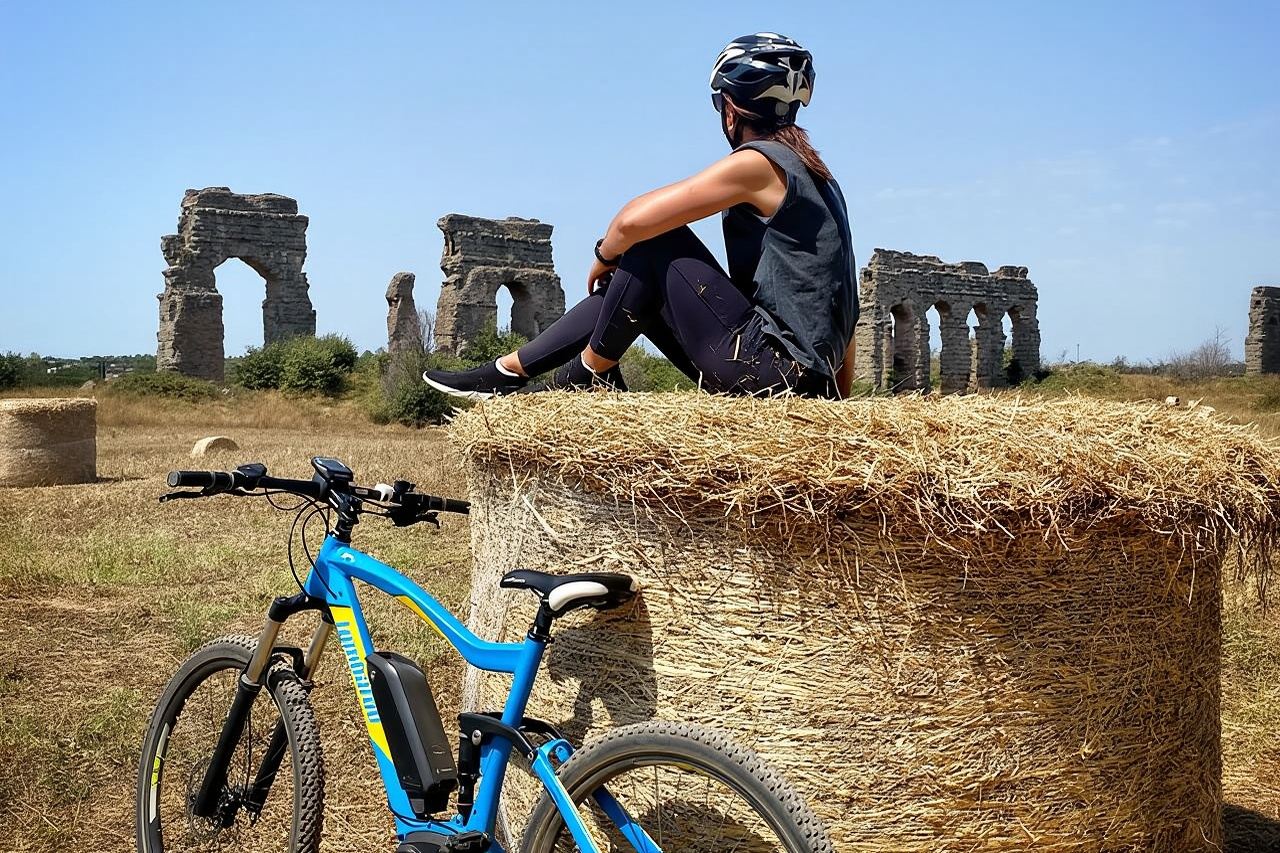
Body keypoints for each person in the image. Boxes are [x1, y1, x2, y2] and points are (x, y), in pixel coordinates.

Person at [424, 32, 858, 400]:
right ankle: (518, 372)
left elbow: (632, 221)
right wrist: (833, 406)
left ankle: (577, 374)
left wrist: (604, 253)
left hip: (770, 374)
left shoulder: (760, 163)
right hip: (798, 385)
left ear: (730, 108)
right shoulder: (820, 181)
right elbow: (845, 311)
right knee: (634, 287)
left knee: (654, 242)